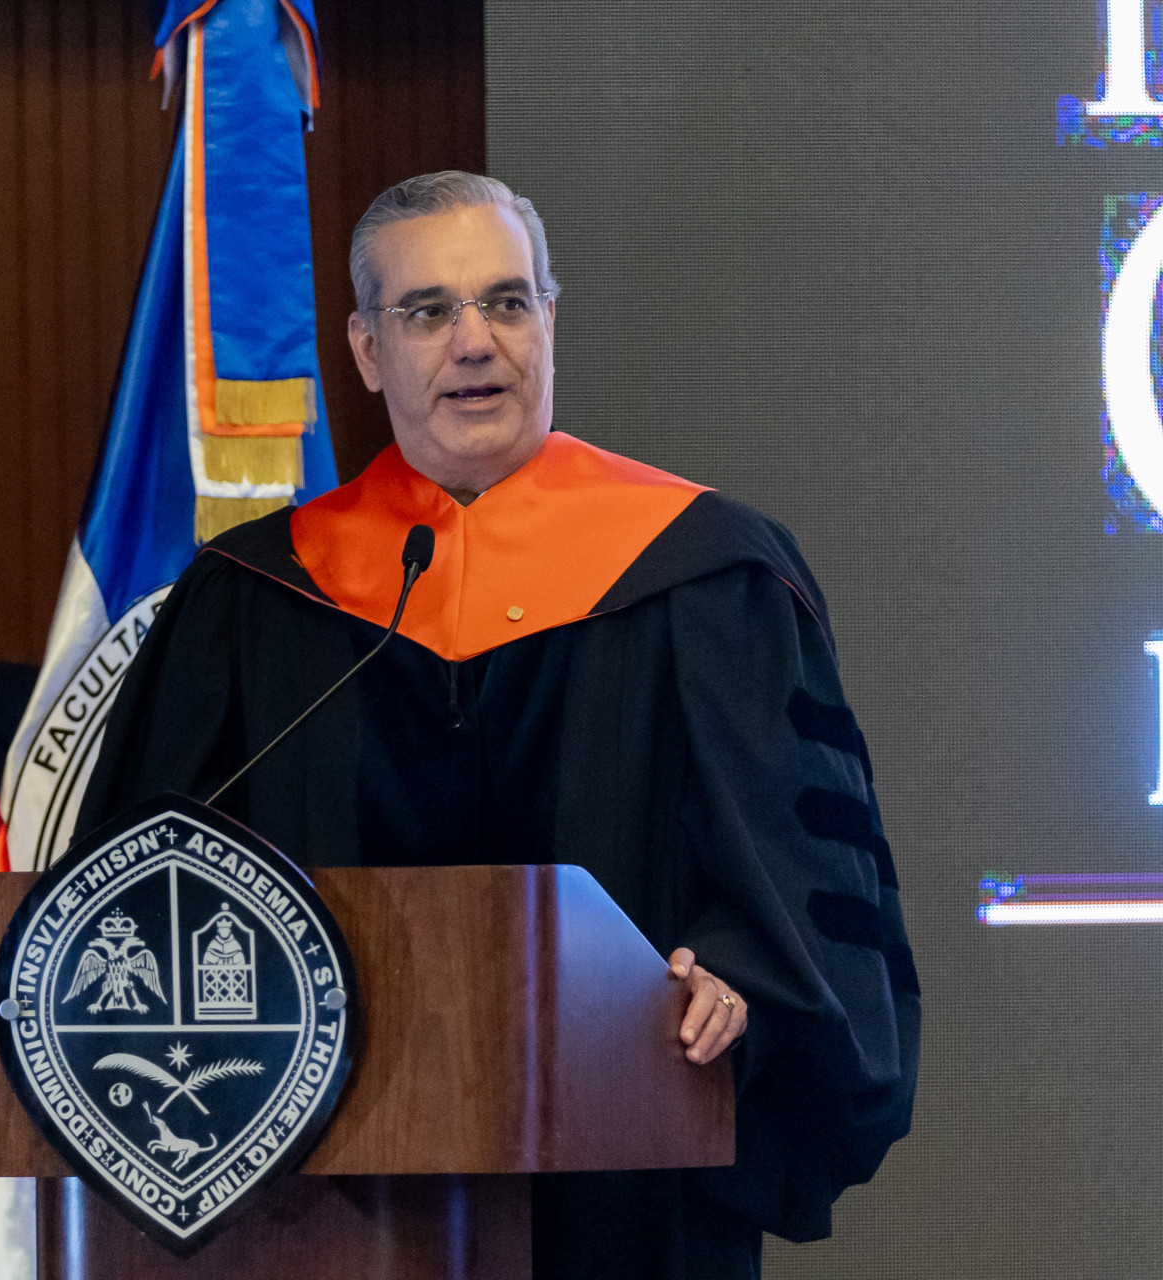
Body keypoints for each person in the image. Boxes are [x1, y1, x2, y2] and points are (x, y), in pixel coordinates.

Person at [76, 171, 919, 1279]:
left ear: (549, 323)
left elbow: (806, 885)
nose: (474, 340)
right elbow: (137, 901)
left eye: (506, 302)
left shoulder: (710, 578)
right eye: (428, 311)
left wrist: (739, 985)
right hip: (316, 1220)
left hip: (630, 1210)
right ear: (368, 349)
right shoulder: (254, 599)